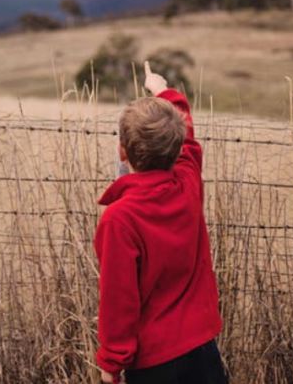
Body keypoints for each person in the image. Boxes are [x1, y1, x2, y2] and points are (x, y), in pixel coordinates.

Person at [94, 62, 226, 383]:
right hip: (202, 350)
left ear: (122, 152)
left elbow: (118, 300)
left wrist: (111, 363)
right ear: (177, 148)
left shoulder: (120, 219)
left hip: (153, 363)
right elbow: (188, 137)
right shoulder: (188, 183)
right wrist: (163, 90)